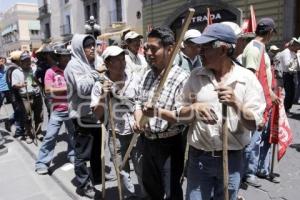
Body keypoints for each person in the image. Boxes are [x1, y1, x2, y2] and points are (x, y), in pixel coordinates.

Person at [176, 23, 265, 200]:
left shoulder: (247, 79)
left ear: (223, 49)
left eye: (205, 48)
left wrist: (235, 104)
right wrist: (194, 109)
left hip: (231, 160)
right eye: (199, 47)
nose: (200, 52)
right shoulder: (195, 76)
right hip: (199, 159)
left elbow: (254, 123)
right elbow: (179, 114)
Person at [134, 27, 189, 200]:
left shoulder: (182, 78)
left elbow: (182, 117)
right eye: (146, 48)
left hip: (170, 144)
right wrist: (138, 121)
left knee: (172, 191)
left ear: (170, 49)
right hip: (147, 142)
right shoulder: (146, 75)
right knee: (151, 190)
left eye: (154, 49)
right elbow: (137, 102)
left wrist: (157, 112)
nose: (148, 53)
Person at [91, 45, 146, 199]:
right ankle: (129, 196)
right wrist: (103, 96)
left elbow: (138, 103)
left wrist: (138, 120)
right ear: (108, 63)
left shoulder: (134, 79)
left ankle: (146, 195)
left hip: (135, 132)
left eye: (123, 59)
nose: (122, 63)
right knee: (122, 169)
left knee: (141, 167)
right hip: (115, 133)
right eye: (117, 60)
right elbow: (97, 114)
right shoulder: (99, 85)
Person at [242, 17, 280, 187]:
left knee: (260, 139)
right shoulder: (254, 49)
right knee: (252, 141)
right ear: (270, 32)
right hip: (256, 102)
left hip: (264, 99)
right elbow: (251, 78)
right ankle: (247, 173)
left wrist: (271, 92)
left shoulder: (261, 48)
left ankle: (255, 169)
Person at [64, 34, 102, 199]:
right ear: (80, 48)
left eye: (93, 45)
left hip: (95, 114)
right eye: (88, 46)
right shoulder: (74, 65)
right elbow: (82, 88)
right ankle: (84, 184)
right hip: (81, 115)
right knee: (82, 153)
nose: (92, 48)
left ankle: (97, 177)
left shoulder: (93, 62)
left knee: (96, 150)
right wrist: (96, 74)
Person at [35, 47, 75, 175]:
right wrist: (68, 87)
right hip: (57, 110)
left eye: (68, 56)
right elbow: (48, 90)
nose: (67, 58)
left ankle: (72, 154)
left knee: (73, 135)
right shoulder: (50, 72)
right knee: (50, 136)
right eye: (64, 56)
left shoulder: (71, 70)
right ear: (58, 58)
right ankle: (42, 163)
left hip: (72, 109)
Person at [11, 51, 43, 144]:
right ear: (21, 62)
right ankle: (29, 134)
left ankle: (38, 133)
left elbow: (36, 79)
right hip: (25, 97)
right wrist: (21, 85)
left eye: (29, 60)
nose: (28, 62)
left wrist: (38, 84)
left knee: (39, 115)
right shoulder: (16, 72)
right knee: (27, 117)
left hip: (36, 95)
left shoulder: (32, 69)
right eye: (26, 60)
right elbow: (14, 85)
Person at [276, 37, 300, 113]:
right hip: (287, 75)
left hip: (292, 74)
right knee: (289, 93)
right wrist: (295, 61)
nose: (298, 47)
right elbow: (287, 65)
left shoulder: (292, 52)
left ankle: (288, 108)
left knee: (292, 92)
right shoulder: (286, 52)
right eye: (296, 46)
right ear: (292, 45)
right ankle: (286, 109)